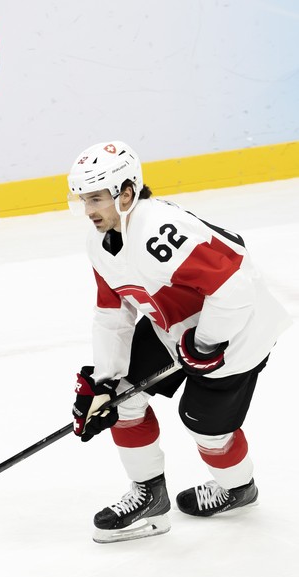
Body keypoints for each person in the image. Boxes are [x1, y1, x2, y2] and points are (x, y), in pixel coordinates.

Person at [67, 141, 291, 543]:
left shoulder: (158, 232)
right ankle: (149, 499)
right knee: (122, 399)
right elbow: (112, 314)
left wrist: (206, 342)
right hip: (172, 327)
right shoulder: (100, 244)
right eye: (84, 200)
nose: (89, 211)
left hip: (238, 333)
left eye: (97, 199)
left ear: (127, 194)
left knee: (204, 426)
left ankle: (239, 489)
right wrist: (104, 381)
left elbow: (234, 287)